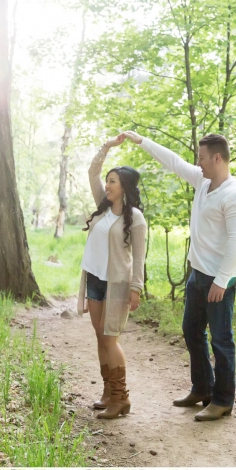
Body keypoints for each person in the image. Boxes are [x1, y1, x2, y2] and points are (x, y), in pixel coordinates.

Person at [119, 131, 236, 422]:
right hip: (198, 275)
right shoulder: (203, 183)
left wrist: (222, 280)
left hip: (220, 279)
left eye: (202, 158)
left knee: (221, 340)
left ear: (217, 158)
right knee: (192, 332)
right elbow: (174, 162)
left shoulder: (234, 196)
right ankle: (202, 388)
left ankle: (222, 400)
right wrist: (141, 141)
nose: (199, 163)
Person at [78, 137, 147, 419]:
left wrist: (136, 288)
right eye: (108, 181)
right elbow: (92, 172)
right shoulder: (103, 206)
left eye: (113, 181)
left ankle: (121, 398)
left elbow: (140, 257)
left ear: (125, 187)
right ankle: (108, 392)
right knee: (99, 335)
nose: (107, 185)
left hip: (116, 284)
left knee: (110, 338)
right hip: (95, 278)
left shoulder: (136, 218)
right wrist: (106, 147)